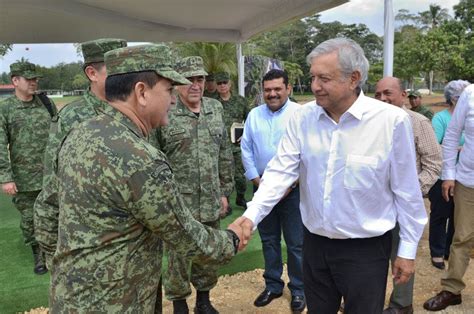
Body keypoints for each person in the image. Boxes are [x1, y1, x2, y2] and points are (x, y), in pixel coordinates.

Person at [234, 38, 428, 313]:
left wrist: (407, 251)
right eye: (313, 77)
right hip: (314, 245)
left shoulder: (390, 122)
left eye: (324, 78)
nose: (314, 86)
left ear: (354, 78)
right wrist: (250, 216)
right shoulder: (302, 118)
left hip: (366, 252)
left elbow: (407, 192)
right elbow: (279, 172)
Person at [49, 44, 243, 313]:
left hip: (70, 296)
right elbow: (187, 237)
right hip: (118, 302)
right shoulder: (140, 158)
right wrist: (232, 239)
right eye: (167, 90)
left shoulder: (80, 133)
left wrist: (64, 269)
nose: (173, 100)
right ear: (141, 92)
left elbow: (46, 208)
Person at [151, 56, 234, 314]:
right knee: (177, 257)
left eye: (200, 79)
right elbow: (155, 158)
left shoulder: (215, 109)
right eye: (189, 80)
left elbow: (224, 152)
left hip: (210, 196)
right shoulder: (166, 111)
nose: (195, 85)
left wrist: (224, 191)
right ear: (177, 84)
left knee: (207, 254)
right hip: (179, 202)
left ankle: (204, 300)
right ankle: (179, 305)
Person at [34, 38, 127, 268]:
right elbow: (53, 182)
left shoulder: (135, 109)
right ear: (92, 73)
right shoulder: (71, 117)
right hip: (90, 237)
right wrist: (52, 245)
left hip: (130, 235)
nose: (124, 77)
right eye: (114, 71)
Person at [375, 76, 442, 314]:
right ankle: (366, 299)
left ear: (403, 95)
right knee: (371, 257)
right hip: (374, 205)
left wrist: (412, 193)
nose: (382, 98)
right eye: (378, 94)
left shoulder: (418, 122)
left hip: (403, 206)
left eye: (388, 93)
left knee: (401, 254)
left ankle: (401, 305)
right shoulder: (370, 123)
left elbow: (434, 163)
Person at [241, 69, 305, 312]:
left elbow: (305, 153)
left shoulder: (300, 114)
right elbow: (246, 148)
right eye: (268, 90)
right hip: (261, 188)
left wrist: (291, 184)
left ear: (288, 88)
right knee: (268, 240)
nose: (272, 93)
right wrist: (256, 180)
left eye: (277, 88)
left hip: (293, 191)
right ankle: (273, 285)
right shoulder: (254, 115)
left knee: (296, 243)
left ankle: (299, 289)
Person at [0, 61, 57, 275]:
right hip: (24, 177)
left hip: (51, 174)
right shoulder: (5, 108)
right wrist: (6, 178)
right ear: (15, 81)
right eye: (29, 79)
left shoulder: (45, 103)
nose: (34, 82)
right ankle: (38, 253)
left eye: (36, 79)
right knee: (30, 218)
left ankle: (55, 250)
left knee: (55, 213)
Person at [424, 83, 474, 311]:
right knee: (461, 237)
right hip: (468, 180)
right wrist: (448, 175)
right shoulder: (469, 94)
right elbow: (452, 133)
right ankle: (452, 290)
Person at [428, 80, 470, 270]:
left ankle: (449, 250)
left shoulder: (467, 117)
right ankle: (436, 252)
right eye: (459, 97)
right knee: (440, 214)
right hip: (443, 175)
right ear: (452, 99)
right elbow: (435, 145)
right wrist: (461, 148)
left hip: (463, 176)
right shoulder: (441, 119)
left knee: (456, 217)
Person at [215, 71, 250, 211]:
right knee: (222, 176)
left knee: (240, 176)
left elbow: (250, 121)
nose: (222, 86)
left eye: (225, 82)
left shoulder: (240, 101)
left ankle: (240, 197)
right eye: (219, 83)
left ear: (230, 84)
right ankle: (226, 202)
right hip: (219, 146)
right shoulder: (211, 102)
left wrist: (245, 135)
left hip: (237, 145)